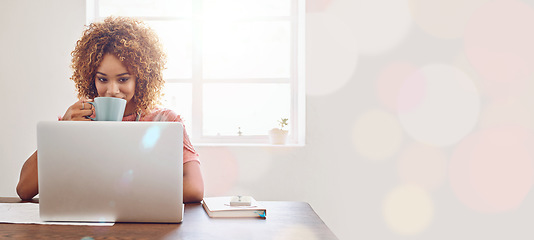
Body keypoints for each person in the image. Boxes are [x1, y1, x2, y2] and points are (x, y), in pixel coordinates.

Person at [16, 16, 204, 203]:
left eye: (123, 79)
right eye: (103, 79)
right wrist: (62, 131)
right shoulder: (80, 120)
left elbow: (195, 189)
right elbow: (24, 189)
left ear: (141, 78)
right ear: (92, 78)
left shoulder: (165, 121)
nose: (112, 91)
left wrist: (120, 192)